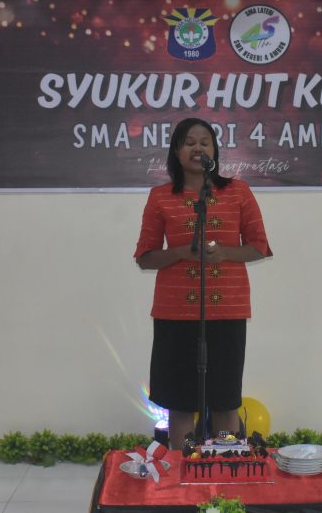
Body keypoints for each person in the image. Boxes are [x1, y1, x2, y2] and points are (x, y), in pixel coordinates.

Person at [134, 117, 273, 447]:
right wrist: (181, 252)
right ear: (176, 151)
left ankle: (224, 460)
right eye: (189, 142)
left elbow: (259, 246)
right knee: (181, 402)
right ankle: (182, 465)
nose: (198, 148)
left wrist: (224, 253)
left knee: (225, 400)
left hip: (227, 312)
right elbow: (145, 256)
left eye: (204, 142)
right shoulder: (160, 196)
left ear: (215, 151)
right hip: (174, 314)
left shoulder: (238, 192)